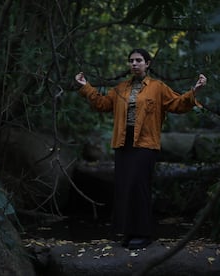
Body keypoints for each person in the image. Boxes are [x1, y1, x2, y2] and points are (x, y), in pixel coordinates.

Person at [74, 48, 207, 250]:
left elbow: (177, 104)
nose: (134, 64)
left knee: (140, 187)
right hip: (123, 143)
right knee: (124, 187)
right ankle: (128, 233)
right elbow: (102, 104)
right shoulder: (121, 88)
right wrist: (86, 87)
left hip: (145, 144)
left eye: (138, 60)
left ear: (147, 64)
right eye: (131, 61)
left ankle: (143, 234)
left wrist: (194, 91)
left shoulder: (157, 87)